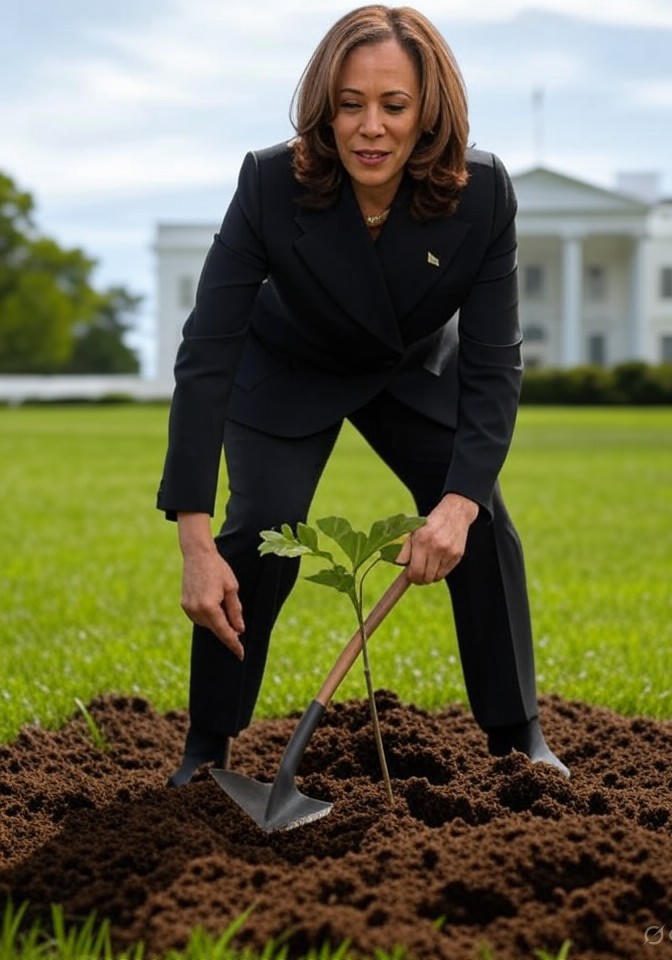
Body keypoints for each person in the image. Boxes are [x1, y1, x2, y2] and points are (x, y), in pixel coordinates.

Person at [158, 4, 570, 786]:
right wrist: (192, 541)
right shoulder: (269, 183)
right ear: (325, 107)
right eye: (350, 105)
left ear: (429, 113)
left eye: (393, 105)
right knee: (260, 534)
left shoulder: (482, 193)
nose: (369, 128)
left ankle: (519, 737)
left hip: (407, 370)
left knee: (482, 522)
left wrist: (456, 505)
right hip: (288, 367)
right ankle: (207, 750)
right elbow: (206, 352)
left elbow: (493, 362)